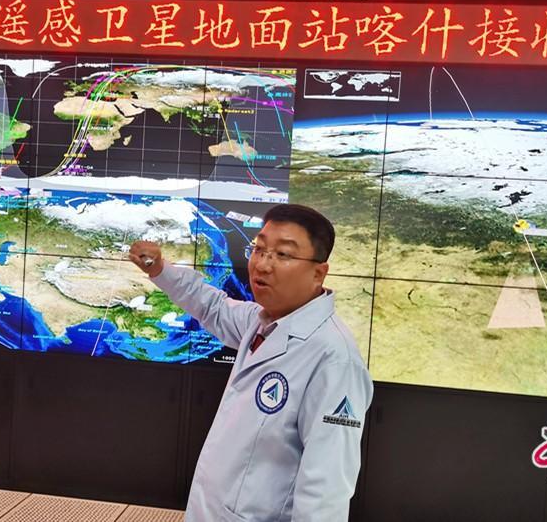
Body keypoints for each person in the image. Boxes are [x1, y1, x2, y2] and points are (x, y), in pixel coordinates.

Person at [129, 203, 373, 522]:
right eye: (259, 249)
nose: (262, 265)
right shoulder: (262, 322)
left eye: (283, 254)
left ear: (318, 273)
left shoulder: (334, 360)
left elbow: (325, 490)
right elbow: (212, 306)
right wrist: (160, 270)